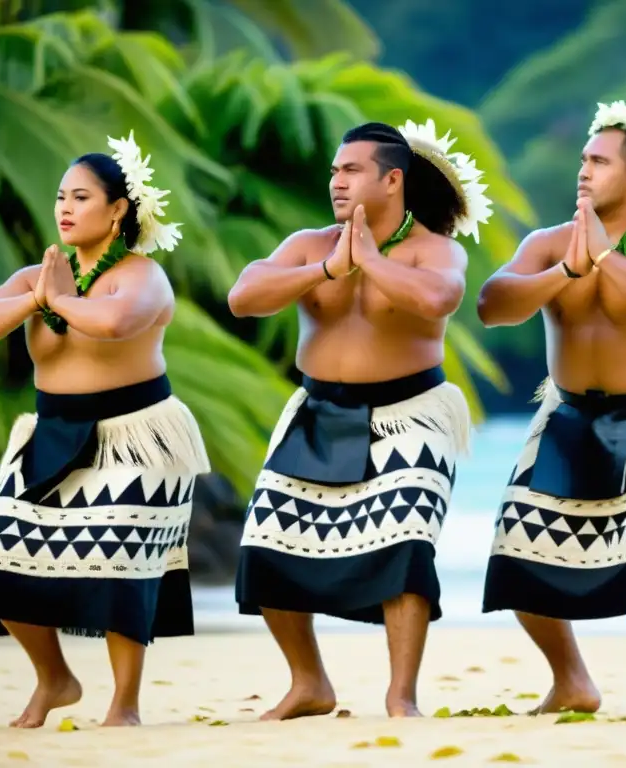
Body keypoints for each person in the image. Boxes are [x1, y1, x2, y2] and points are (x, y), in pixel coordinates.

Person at [228, 119, 490, 720]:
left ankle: (401, 695)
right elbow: (244, 296)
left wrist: (370, 260)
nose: (336, 182)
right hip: (318, 410)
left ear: (392, 179)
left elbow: (437, 299)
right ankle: (308, 683)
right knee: (266, 547)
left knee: (403, 548)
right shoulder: (311, 244)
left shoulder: (435, 249)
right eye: (334, 171)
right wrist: (326, 270)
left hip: (411, 414)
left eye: (351, 170)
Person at [477, 101, 626, 718]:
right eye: (584, 158)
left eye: (599, 161)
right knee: (517, 550)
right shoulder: (550, 242)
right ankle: (572, 680)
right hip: (569, 411)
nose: (583, 169)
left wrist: (606, 258)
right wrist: (565, 269)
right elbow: (493, 305)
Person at [0, 132, 210, 728]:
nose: (63, 207)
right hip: (51, 432)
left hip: (137, 437)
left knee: (120, 568)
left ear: (117, 210)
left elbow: (113, 322)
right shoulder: (41, 276)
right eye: (61, 196)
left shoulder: (141, 276)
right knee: (4, 561)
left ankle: (124, 704)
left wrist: (55, 299)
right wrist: (38, 296)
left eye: (80, 197)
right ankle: (55, 679)